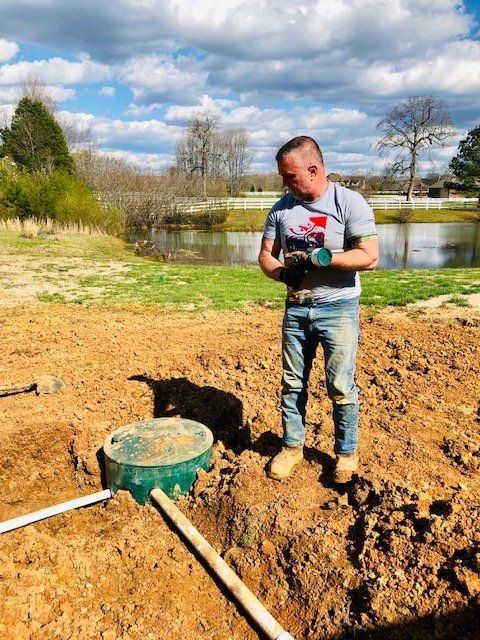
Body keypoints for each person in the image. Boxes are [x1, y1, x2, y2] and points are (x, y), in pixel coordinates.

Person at [258, 136, 378, 483]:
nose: (285, 183)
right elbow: (265, 255)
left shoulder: (348, 203)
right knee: (292, 383)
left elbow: (369, 256)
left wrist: (326, 258)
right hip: (296, 309)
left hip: (338, 308)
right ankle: (292, 447)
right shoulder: (281, 209)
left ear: (313, 169)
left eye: (290, 176)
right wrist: (282, 273)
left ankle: (345, 454)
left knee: (340, 384)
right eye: (282, 176)